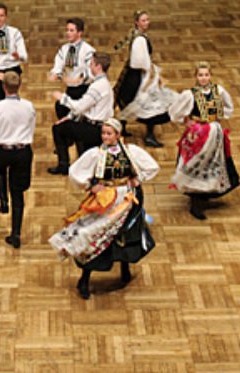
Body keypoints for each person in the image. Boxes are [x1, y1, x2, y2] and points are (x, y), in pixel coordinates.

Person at [48, 118, 158, 299]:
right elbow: (76, 172)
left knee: (125, 235)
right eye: (103, 133)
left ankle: (125, 268)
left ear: (118, 134)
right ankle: (85, 278)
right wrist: (90, 186)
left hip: (127, 198)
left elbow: (151, 166)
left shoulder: (130, 151)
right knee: (94, 235)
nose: (105, 137)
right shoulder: (96, 154)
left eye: (109, 133)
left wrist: (138, 180)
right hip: (106, 201)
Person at [168, 62, 240, 220]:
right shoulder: (190, 94)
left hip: (214, 132)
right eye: (200, 75)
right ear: (196, 77)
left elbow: (228, 108)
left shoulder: (218, 91)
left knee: (212, 162)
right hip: (197, 135)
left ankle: (206, 193)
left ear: (210, 76)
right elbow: (174, 112)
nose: (203, 78)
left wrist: (218, 119)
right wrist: (186, 122)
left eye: (206, 75)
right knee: (196, 164)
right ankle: (195, 201)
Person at [0, 71, 36, 249]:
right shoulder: (29, 106)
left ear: (3, 87)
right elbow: (31, 131)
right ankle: (16, 234)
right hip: (23, 151)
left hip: (3, 151)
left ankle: (3, 201)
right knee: (18, 195)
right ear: (19, 86)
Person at [113, 10, 177, 147]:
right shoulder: (139, 40)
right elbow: (139, 62)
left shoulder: (138, 35)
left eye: (147, 20)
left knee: (127, 99)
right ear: (137, 22)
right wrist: (152, 74)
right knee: (149, 103)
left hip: (134, 74)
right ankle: (149, 136)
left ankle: (123, 128)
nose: (147, 23)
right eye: (143, 20)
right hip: (138, 76)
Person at [48, 52, 114, 175]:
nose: (90, 65)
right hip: (96, 125)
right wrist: (69, 117)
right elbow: (86, 107)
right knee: (63, 126)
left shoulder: (98, 86)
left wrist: (62, 97)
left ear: (99, 67)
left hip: (93, 129)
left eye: (92, 63)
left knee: (57, 129)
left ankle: (63, 166)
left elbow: (79, 107)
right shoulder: (103, 84)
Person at [49, 18, 96, 120]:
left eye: (71, 30)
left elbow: (92, 73)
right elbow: (58, 64)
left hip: (84, 90)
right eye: (67, 30)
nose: (68, 33)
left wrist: (76, 80)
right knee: (60, 108)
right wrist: (57, 74)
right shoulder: (64, 49)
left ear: (79, 33)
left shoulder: (88, 51)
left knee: (77, 115)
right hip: (70, 89)